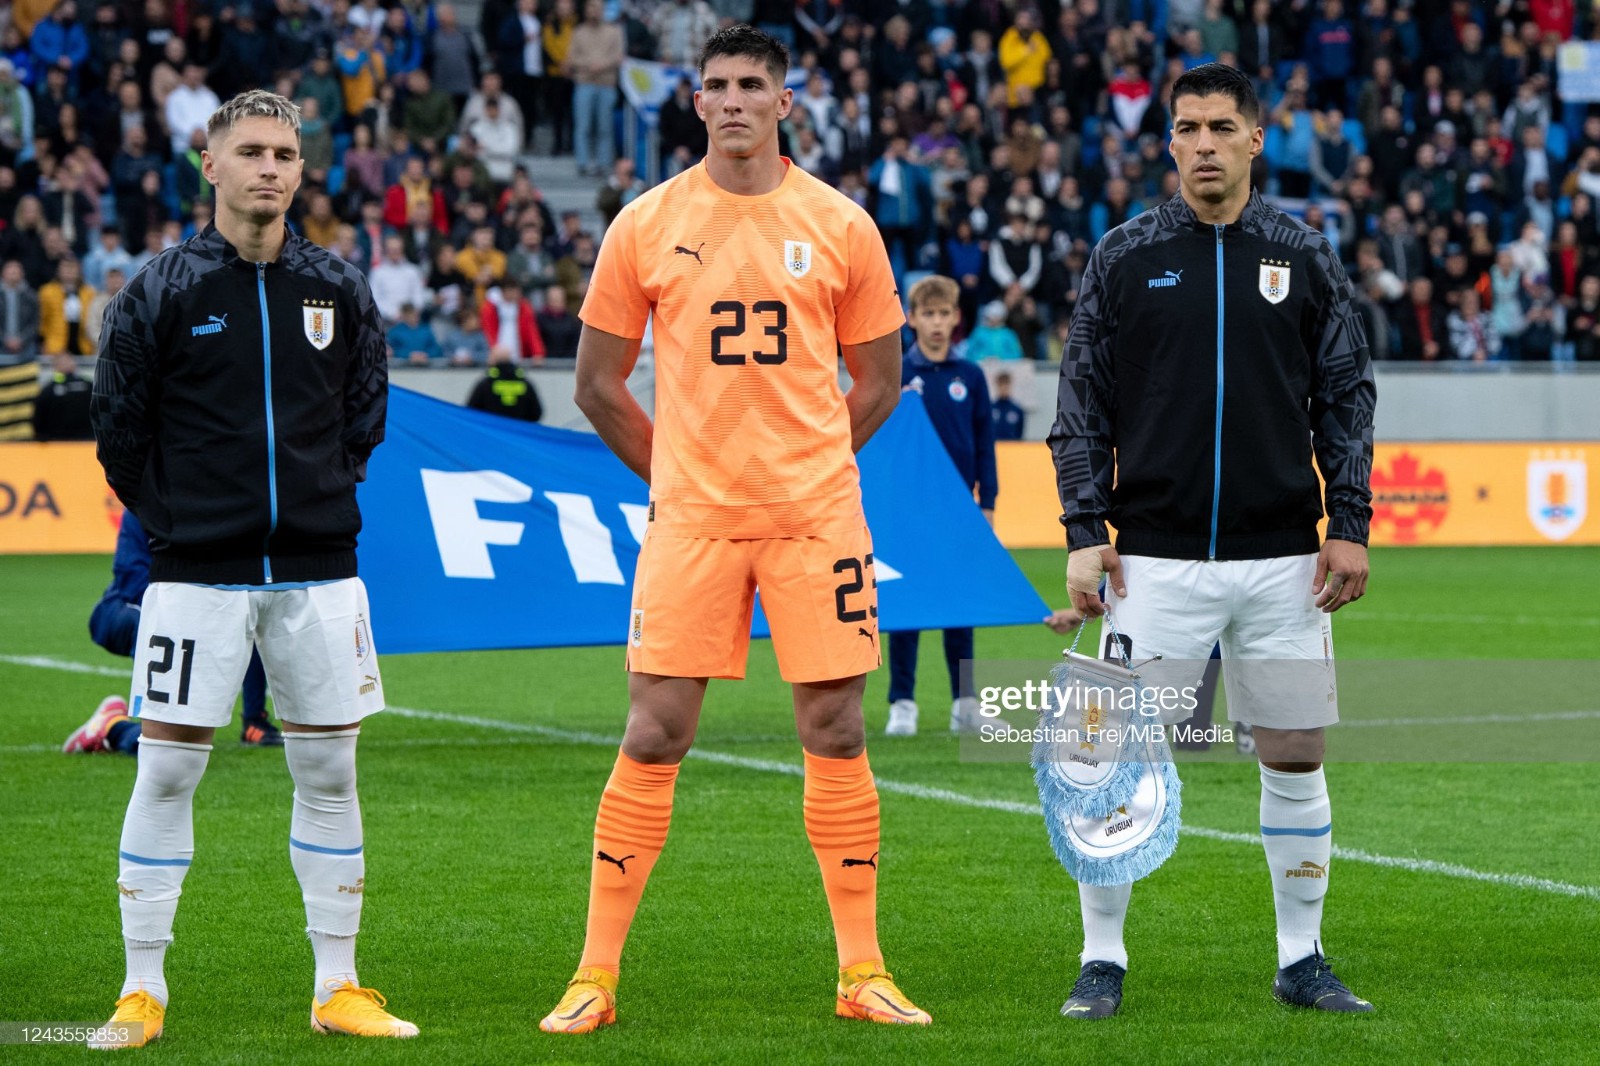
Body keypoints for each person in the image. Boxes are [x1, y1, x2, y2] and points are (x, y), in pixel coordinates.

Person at [538, 26, 928, 1035]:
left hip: (815, 521)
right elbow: (595, 384)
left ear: (785, 103)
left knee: (834, 727)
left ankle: (862, 970)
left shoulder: (841, 225)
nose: (735, 100)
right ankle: (594, 974)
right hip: (695, 524)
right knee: (654, 730)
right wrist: (679, 470)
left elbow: (879, 379)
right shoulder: (644, 222)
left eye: (754, 84)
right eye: (717, 85)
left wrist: (807, 463)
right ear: (696, 103)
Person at [87, 90, 415, 1047]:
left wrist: (310, 504)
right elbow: (119, 436)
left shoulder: (340, 288)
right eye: (251, 152)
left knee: (328, 771)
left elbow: (364, 420)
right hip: (193, 578)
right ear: (210, 163)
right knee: (164, 776)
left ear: (301, 171)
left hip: (321, 574)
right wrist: (188, 524)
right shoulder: (157, 291)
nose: (270, 168)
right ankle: (141, 989)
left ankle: (338, 985)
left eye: (285, 153)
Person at [1048, 63, 1376, 1020]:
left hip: (1282, 561)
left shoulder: (1303, 253)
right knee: (1109, 755)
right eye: (1186, 128)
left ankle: (1300, 956)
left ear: (1255, 137)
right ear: (1169, 141)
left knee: (1295, 753)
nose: (1201, 144)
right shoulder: (1124, 254)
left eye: (1220, 127)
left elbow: (1346, 395)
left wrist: (1347, 523)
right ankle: (1101, 959)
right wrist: (1083, 528)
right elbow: (1081, 403)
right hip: (1151, 556)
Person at [63, 512, 282, 754]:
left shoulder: (223, 506)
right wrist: (191, 613)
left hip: (196, 610)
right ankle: (127, 727)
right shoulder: (148, 501)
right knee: (169, 748)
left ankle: (254, 722)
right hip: (124, 609)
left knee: (248, 611)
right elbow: (132, 579)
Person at [884, 274, 997, 737]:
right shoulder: (897, 375)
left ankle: (964, 701)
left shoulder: (969, 377)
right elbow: (884, 446)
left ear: (957, 319)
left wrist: (987, 504)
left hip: (959, 514)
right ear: (911, 319)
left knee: (959, 607)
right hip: (907, 512)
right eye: (927, 314)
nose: (936, 323)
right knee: (906, 607)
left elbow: (985, 446)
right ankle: (902, 702)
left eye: (944, 314)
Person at [465, 346, 542, 420]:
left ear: (493, 360)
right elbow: (536, 413)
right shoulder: (525, 383)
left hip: (492, 430)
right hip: (516, 431)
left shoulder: (486, 383)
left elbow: (471, 410)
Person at [991, 370, 1025, 440]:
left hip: (1011, 448)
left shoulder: (1017, 410)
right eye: (1001, 386)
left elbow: (1020, 433)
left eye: (1006, 386)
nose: (1003, 389)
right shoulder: (990, 408)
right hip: (994, 447)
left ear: (1010, 386)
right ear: (997, 386)